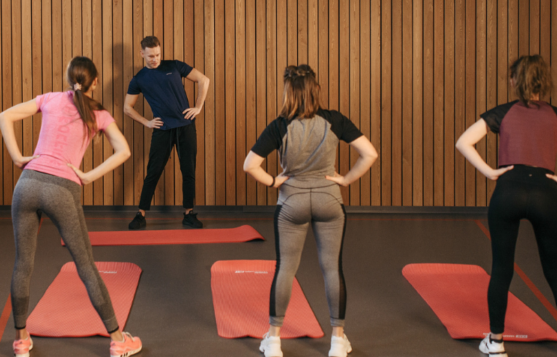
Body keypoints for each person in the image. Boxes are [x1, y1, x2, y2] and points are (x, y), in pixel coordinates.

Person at [455, 55, 557, 357]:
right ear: (544, 82)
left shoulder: (503, 113)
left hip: (507, 191)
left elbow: (463, 142)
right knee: (555, 270)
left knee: (501, 270)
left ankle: (495, 342)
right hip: (545, 193)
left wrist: (490, 171)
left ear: (514, 81)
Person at [0, 56, 143, 357]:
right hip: (62, 189)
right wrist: (87, 176)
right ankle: (118, 340)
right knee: (86, 266)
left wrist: (16, 157)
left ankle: (21, 340)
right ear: (96, 82)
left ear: (68, 79)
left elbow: (4, 116)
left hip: (27, 183)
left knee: (22, 264)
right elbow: (124, 151)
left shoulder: (49, 99)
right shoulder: (99, 113)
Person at [243, 65, 378, 357]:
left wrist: (272, 181)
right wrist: (345, 179)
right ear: (315, 89)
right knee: (332, 269)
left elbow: (249, 165)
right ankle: (338, 341)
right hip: (330, 200)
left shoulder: (279, 125)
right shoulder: (335, 120)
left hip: (292, 202)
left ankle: (274, 341)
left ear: (288, 92)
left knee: (286, 270)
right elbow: (370, 153)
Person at [124, 36, 211, 230]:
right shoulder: (139, 78)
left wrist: (197, 107)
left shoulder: (174, 66)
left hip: (185, 127)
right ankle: (141, 214)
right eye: (151, 56)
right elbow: (127, 108)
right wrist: (147, 122)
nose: (155, 59)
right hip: (162, 129)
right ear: (142, 54)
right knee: (153, 172)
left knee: (188, 171)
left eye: (158, 55)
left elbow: (204, 80)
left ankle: (189, 214)